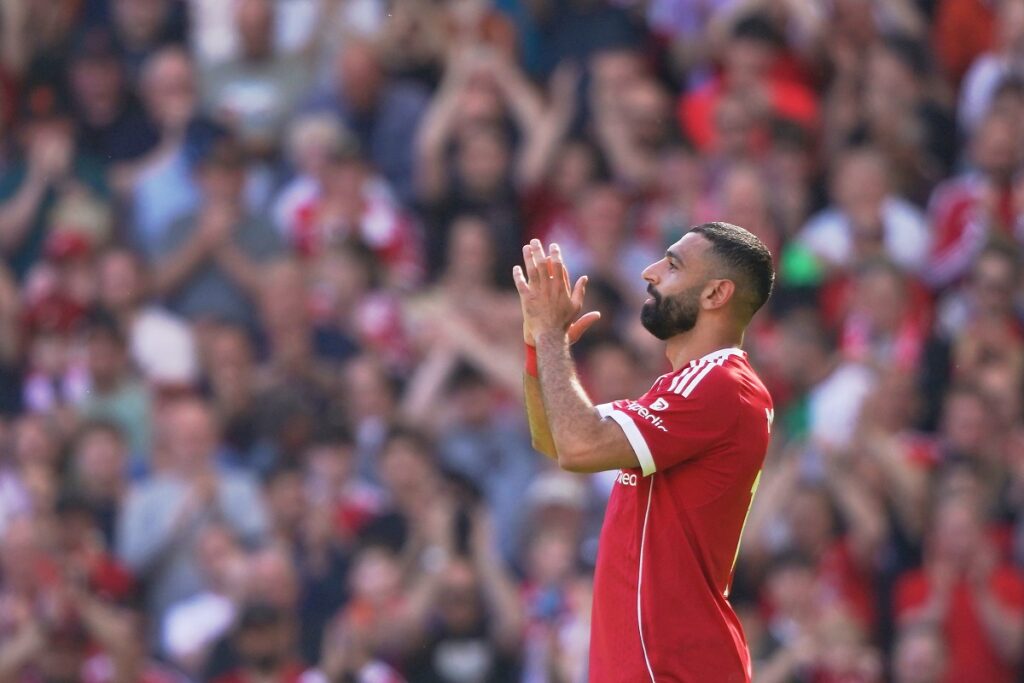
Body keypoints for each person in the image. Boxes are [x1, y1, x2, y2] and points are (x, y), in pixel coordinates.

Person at [514, 222, 775, 681]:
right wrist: (540, 343)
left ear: (716, 294)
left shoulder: (720, 385)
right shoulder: (685, 388)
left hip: (673, 667)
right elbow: (555, 439)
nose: (649, 272)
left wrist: (553, 337)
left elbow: (578, 445)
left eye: (672, 265)